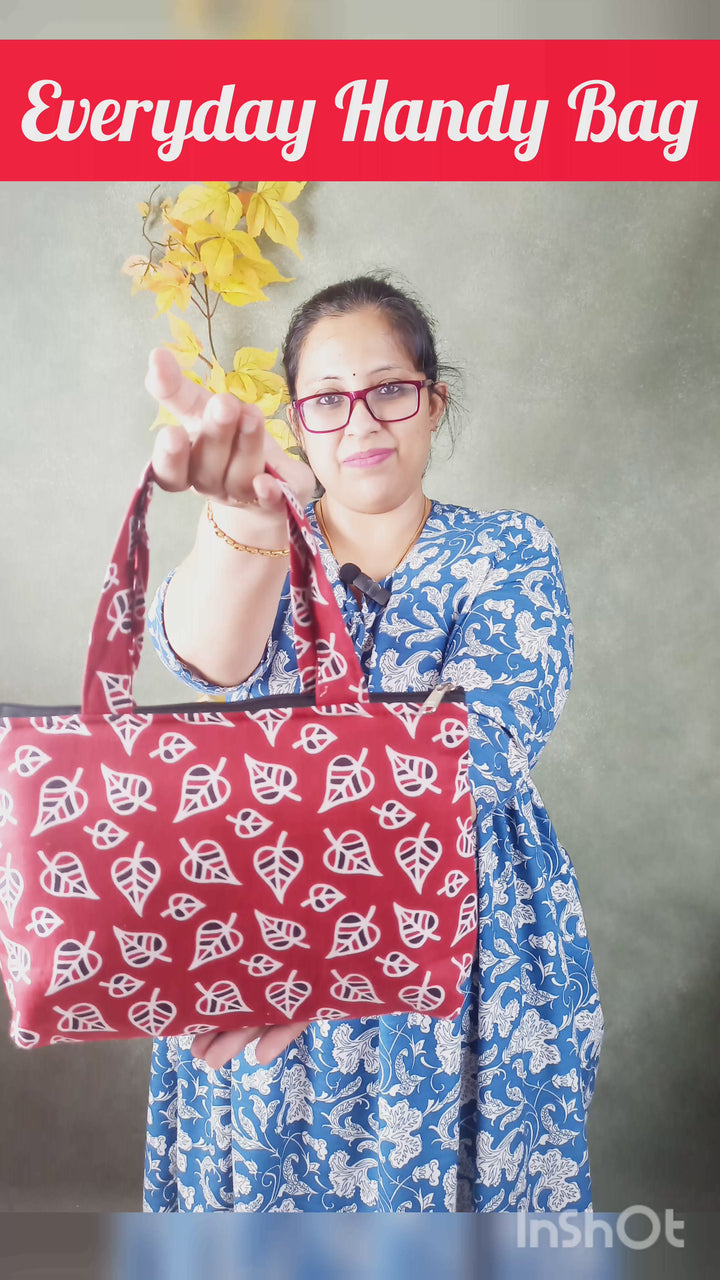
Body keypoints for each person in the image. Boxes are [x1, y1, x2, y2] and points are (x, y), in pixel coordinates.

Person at [142, 275, 603, 1213]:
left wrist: (320, 945)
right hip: (263, 931)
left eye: (391, 389)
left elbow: (482, 755)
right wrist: (247, 517)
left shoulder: (509, 551)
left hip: (463, 943)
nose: (362, 422)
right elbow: (203, 658)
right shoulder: (258, 542)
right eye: (326, 400)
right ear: (299, 423)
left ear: (434, 401)